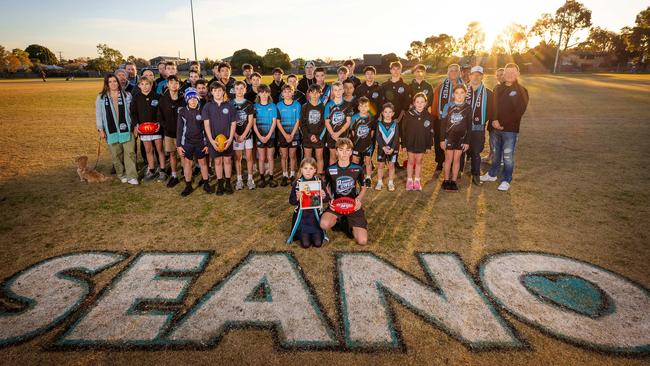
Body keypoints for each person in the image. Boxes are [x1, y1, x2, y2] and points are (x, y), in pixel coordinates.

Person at [481, 63, 529, 191]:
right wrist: (495, 120)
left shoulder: (522, 91)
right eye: (507, 73)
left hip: (510, 130)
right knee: (496, 153)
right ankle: (492, 174)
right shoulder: (497, 88)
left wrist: (503, 124)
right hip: (495, 127)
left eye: (513, 73)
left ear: (518, 74)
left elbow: (519, 112)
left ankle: (506, 179)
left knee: (507, 156)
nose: (509, 75)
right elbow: (494, 106)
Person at [320, 138, 368, 245]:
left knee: (362, 241)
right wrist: (330, 199)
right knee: (324, 224)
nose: (344, 153)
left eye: (347, 150)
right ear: (336, 152)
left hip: (353, 205)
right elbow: (325, 186)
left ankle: (347, 224)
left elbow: (364, 187)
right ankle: (340, 220)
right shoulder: (330, 169)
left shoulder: (357, 169)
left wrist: (358, 200)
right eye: (341, 150)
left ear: (351, 152)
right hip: (336, 204)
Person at [95, 74, 138, 185]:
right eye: (110, 82)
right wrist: (101, 129)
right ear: (106, 84)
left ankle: (132, 176)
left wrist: (134, 126)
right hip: (111, 130)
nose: (113, 83)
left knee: (130, 153)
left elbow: (132, 113)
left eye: (115, 81)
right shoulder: (101, 97)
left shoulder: (126, 95)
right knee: (116, 155)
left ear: (118, 83)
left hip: (127, 129)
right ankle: (121, 174)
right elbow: (99, 114)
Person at [130, 77, 166, 182]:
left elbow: (162, 112)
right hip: (143, 129)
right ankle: (151, 169)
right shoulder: (136, 97)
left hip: (156, 128)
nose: (145, 86)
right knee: (148, 150)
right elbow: (133, 113)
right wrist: (136, 125)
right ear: (139, 85)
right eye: (142, 84)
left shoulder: (157, 96)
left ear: (151, 85)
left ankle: (162, 170)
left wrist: (159, 123)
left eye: (147, 84)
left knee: (159, 149)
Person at [203, 82, 237, 195]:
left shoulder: (230, 106)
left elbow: (233, 124)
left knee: (227, 160)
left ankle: (227, 183)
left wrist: (231, 138)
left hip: (227, 139)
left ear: (223, 91)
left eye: (219, 90)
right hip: (214, 140)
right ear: (211, 92)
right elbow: (206, 125)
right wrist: (212, 141)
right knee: (217, 162)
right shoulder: (207, 106)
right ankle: (220, 183)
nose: (217, 92)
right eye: (215, 90)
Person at [465, 66, 495, 186]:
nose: (476, 77)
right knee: (462, 150)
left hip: (478, 127)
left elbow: (492, 110)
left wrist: (481, 119)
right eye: (474, 74)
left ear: (482, 76)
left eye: (479, 75)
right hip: (463, 127)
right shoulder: (463, 90)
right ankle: (458, 171)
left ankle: (476, 174)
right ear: (470, 76)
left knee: (476, 151)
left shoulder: (488, 93)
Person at [177, 87, 211, 196]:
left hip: (200, 142)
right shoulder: (182, 111)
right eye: (190, 98)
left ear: (198, 99)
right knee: (188, 163)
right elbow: (180, 129)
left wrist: (207, 144)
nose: (193, 101)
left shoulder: (203, 110)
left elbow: (207, 129)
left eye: (195, 98)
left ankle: (206, 183)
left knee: (203, 163)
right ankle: (188, 185)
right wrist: (178, 145)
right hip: (187, 142)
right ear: (187, 100)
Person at [288, 157, 328, 248]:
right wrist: (297, 198)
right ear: (301, 170)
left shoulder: (319, 182)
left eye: (311, 168)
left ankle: (314, 233)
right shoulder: (297, 183)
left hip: (315, 218)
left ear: (315, 170)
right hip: (303, 218)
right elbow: (291, 201)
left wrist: (323, 195)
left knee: (318, 243)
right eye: (305, 168)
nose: (308, 171)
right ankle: (302, 233)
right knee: (305, 244)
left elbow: (327, 199)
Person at [432, 64, 464, 173]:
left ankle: (455, 164)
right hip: (442, 119)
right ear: (448, 72)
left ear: (460, 72)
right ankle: (440, 162)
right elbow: (435, 103)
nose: (454, 72)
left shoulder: (465, 87)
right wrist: (436, 118)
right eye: (451, 70)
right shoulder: (441, 87)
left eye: (456, 70)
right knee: (440, 141)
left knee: (456, 141)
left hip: (458, 120)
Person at [440, 85, 471, 192]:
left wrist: (467, 141)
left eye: (462, 93)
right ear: (453, 95)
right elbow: (443, 124)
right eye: (457, 93)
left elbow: (469, 126)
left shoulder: (468, 107)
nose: (459, 95)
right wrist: (442, 139)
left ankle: (453, 181)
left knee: (456, 160)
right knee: (448, 159)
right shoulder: (447, 106)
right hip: (449, 138)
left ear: (465, 94)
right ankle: (446, 180)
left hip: (461, 138)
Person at [402, 93, 434, 191]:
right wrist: (403, 144)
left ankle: (417, 180)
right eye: (417, 102)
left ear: (425, 103)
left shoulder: (429, 116)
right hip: (410, 142)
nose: (420, 104)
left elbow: (431, 132)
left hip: (422, 143)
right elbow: (403, 130)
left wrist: (429, 146)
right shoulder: (408, 115)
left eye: (422, 102)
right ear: (414, 103)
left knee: (419, 161)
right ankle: (409, 180)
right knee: (411, 161)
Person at [157, 75, 185, 188]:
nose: (174, 85)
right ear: (167, 84)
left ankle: (186, 174)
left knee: (183, 154)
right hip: (169, 133)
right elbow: (159, 116)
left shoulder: (183, 99)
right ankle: (174, 175)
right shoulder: (163, 99)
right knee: (172, 154)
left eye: (176, 83)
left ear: (179, 85)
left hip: (182, 133)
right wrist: (166, 127)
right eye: (171, 82)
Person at [231, 81, 256, 190]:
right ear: (234, 90)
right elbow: (229, 122)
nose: (240, 91)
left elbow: (250, 122)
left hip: (248, 135)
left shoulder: (249, 104)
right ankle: (239, 179)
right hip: (236, 135)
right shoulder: (230, 104)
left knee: (249, 157)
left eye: (242, 88)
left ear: (245, 90)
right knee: (238, 158)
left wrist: (244, 135)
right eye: (237, 88)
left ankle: (250, 179)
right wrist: (236, 135)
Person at [253, 84, 278, 188]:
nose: (264, 94)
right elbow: (253, 124)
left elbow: (274, 123)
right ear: (258, 93)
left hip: (270, 135)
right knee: (261, 158)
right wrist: (260, 136)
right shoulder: (255, 106)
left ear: (269, 93)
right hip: (259, 135)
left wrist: (268, 135)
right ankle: (262, 178)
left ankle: (271, 178)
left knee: (270, 157)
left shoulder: (272, 106)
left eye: (266, 92)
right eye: (261, 92)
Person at [277, 84, 301, 186]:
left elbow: (298, 121)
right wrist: (286, 135)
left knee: (292, 155)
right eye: (285, 92)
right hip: (282, 134)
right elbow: (277, 122)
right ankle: (284, 175)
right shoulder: (278, 105)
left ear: (293, 92)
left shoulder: (297, 104)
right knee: (284, 155)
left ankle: (292, 175)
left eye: (289, 91)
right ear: (282, 94)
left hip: (294, 134)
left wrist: (291, 134)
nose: (287, 93)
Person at [349, 97, 375, 188]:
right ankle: (355, 177)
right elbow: (352, 131)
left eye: (366, 106)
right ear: (359, 107)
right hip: (357, 144)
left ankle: (368, 178)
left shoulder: (370, 117)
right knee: (355, 161)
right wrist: (356, 140)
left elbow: (372, 131)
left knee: (367, 161)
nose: (363, 108)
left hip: (367, 144)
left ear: (368, 108)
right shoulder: (354, 118)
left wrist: (366, 140)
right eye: (361, 106)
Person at [324, 82, 353, 165]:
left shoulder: (348, 105)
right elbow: (327, 122)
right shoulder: (329, 105)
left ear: (343, 90)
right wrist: (333, 134)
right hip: (331, 135)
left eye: (340, 89)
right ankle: (332, 176)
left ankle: (342, 174)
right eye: (335, 90)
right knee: (333, 156)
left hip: (343, 135)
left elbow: (348, 122)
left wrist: (338, 134)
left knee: (343, 156)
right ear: (333, 91)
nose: (338, 92)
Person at [300, 84, 326, 175]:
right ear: (309, 93)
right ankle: (308, 176)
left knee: (319, 157)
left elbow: (324, 124)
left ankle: (318, 177)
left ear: (320, 94)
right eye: (312, 92)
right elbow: (302, 124)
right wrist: (309, 135)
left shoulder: (323, 107)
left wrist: (318, 136)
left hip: (319, 137)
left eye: (317, 93)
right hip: (308, 137)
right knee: (307, 158)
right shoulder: (305, 106)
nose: (315, 95)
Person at [375, 103, 399, 191]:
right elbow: (378, 137)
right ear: (382, 113)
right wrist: (383, 147)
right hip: (382, 149)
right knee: (380, 165)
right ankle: (379, 182)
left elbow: (396, 137)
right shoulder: (379, 124)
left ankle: (390, 182)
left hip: (393, 149)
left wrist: (392, 148)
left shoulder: (395, 124)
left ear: (393, 113)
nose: (388, 114)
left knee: (391, 166)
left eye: (390, 112)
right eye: (386, 112)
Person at [484, 67, 506, 164]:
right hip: (493, 117)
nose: (500, 77)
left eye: (502, 74)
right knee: (492, 137)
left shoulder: (509, 88)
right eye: (498, 75)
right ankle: (490, 155)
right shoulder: (496, 87)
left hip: (502, 118)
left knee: (500, 139)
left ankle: (498, 159)